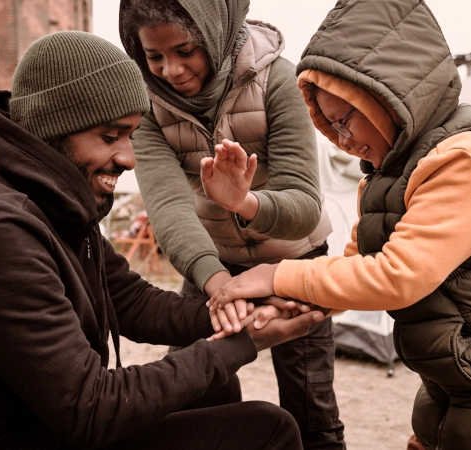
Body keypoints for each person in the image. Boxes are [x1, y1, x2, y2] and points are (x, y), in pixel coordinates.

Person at [206, 0, 471, 448]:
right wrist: (286, 304)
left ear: (388, 94)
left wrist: (275, 273)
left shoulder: (464, 158)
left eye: (345, 118)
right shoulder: (392, 171)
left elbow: (397, 275)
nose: (342, 138)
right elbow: (357, 267)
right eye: (329, 125)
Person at [0, 31, 326, 450]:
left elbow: (131, 302)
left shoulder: (53, 205)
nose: (128, 158)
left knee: (216, 382)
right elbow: (89, 409)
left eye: (131, 136)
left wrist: (244, 314)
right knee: (268, 430)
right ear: (54, 132)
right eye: (110, 136)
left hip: (35, 426)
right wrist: (244, 342)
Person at [118, 1, 345, 447]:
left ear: (215, 32)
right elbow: (168, 207)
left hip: (293, 262)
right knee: (189, 385)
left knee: (310, 406)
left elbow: (304, 205)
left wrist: (244, 202)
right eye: (154, 56)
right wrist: (217, 280)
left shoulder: (277, 79)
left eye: (185, 51)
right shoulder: (145, 104)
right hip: (213, 264)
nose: (171, 70)